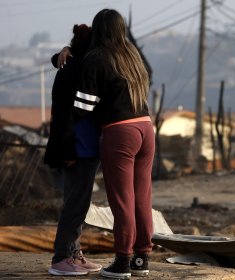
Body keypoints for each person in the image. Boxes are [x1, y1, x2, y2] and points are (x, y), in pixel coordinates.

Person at [74, 9, 155, 280]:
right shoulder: (132, 55)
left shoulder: (96, 58)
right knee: (142, 197)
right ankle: (142, 258)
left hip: (119, 133)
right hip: (146, 127)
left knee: (122, 201)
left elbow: (83, 106)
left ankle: (122, 261)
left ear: (98, 29)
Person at [44, 24, 102, 276]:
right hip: (78, 147)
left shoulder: (73, 66)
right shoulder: (76, 70)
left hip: (82, 146)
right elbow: (65, 115)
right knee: (75, 204)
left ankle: (73, 252)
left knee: (78, 202)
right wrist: (68, 150)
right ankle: (62, 257)